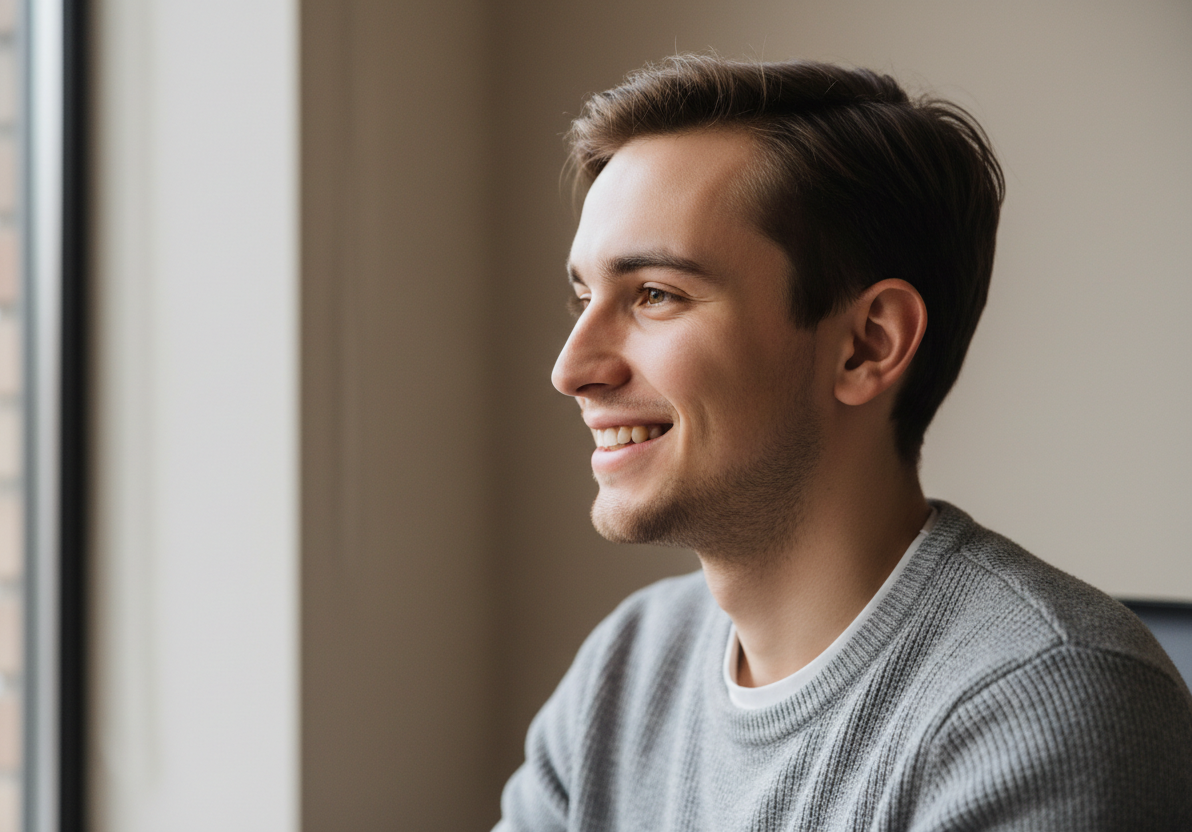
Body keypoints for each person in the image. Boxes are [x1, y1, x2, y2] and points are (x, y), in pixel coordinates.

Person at [493, 55, 1192, 831]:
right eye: (584, 296)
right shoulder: (627, 668)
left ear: (867, 344)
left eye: (656, 295)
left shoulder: (1047, 704)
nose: (571, 370)